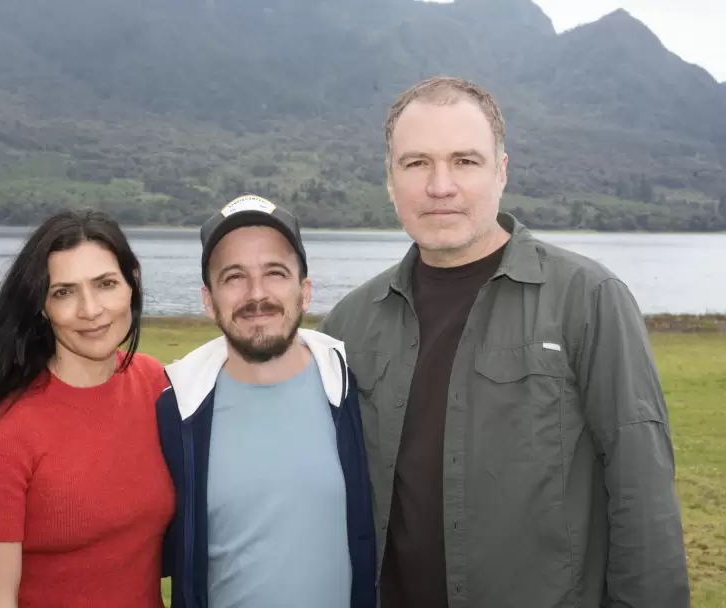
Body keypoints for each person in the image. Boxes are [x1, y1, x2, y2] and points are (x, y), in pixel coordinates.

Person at [318, 76, 691, 608]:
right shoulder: (347, 325)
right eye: (416, 162)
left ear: (502, 171)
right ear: (390, 178)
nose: (440, 185)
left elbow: (643, 496)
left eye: (465, 161)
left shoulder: (588, 299)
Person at [155, 194, 376, 608]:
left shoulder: (353, 392)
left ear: (305, 291)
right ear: (208, 300)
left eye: (275, 273)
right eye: (234, 277)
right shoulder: (178, 413)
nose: (256, 294)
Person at [0, 209, 174, 608]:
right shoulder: (5, 433)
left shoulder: (155, 383)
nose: (90, 310)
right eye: (64, 292)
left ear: (132, 283)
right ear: (41, 306)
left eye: (106, 284)